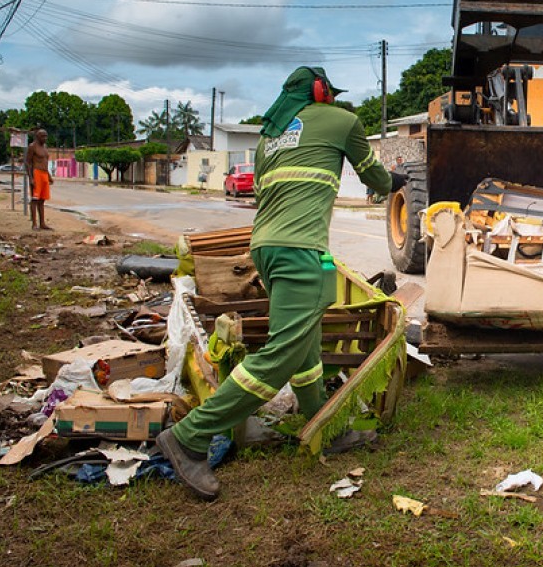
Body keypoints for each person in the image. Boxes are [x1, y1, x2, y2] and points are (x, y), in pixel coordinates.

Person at [156, 66, 407, 500]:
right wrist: (400, 182)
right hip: (298, 251)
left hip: (265, 249)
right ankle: (190, 436)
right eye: (328, 92)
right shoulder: (342, 120)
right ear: (318, 91)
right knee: (284, 351)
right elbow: (376, 179)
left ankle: (321, 426)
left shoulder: (269, 138)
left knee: (304, 341)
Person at [25, 129, 54, 230]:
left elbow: (45, 162)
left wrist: (49, 176)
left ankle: (42, 223)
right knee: (35, 199)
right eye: (43, 136)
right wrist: (31, 178)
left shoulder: (45, 147)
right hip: (36, 173)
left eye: (46, 136)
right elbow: (28, 163)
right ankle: (34, 224)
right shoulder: (32, 146)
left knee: (42, 200)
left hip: (44, 174)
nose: (45, 138)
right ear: (37, 137)